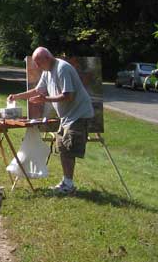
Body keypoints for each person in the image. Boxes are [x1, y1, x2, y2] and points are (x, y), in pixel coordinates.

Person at [8, 47, 94, 195]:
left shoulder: (62, 68)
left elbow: (69, 96)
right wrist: (16, 96)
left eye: (38, 63)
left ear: (47, 58)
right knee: (63, 147)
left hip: (79, 114)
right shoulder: (47, 70)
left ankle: (68, 185)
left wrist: (45, 99)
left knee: (69, 149)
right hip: (67, 116)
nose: (37, 66)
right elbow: (38, 90)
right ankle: (67, 182)